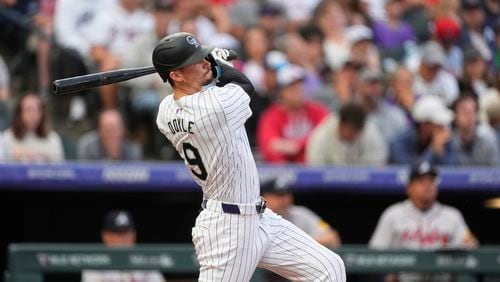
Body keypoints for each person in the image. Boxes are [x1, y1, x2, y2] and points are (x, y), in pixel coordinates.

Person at [154, 32, 345, 281]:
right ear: (176, 75)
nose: (203, 62)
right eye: (196, 61)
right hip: (227, 227)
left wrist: (208, 66)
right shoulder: (214, 108)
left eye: (202, 58)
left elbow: (202, 92)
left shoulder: (165, 111)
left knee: (329, 268)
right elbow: (244, 86)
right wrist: (220, 67)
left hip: (259, 216)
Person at [369, 162, 478, 282]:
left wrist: (470, 244)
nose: (427, 186)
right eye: (421, 181)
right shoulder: (392, 214)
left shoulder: (453, 215)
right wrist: (387, 276)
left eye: (431, 181)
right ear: (408, 188)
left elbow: (468, 249)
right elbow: (374, 255)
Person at [257, 64, 329, 163]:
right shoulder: (271, 116)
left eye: (300, 86)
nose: (299, 91)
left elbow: (327, 136)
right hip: (285, 174)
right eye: (292, 88)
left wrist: (297, 145)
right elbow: (269, 149)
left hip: (316, 169)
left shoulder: (317, 110)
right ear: (281, 92)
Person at [82, 210, 166, 282]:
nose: (123, 239)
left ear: (134, 235)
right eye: (118, 234)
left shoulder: (145, 259)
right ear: (106, 236)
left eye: (126, 234)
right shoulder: (94, 260)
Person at [261, 177, 341, 248]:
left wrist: (296, 244)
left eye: (287, 194)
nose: (285, 200)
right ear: (265, 197)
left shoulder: (301, 214)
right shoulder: (256, 217)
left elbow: (331, 237)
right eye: (279, 196)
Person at [306, 102, 387, 165]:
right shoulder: (321, 137)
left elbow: (377, 170)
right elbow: (316, 172)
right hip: (327, 186)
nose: (355, 135)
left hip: (366, 186)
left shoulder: (372, 135)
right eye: (351, 129)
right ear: (341, 124)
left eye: (358, 131)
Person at [389, 95, 456, 165]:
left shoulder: (445, 138)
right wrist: (432, 150)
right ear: (424, 125)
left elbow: (454, 171)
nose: (443, 127)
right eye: (439, 124)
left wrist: (440, 153)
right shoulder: (399, 143)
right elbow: (412, 173)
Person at [2, 93, 64, 162]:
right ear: (19, 113)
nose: (33, 115)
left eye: (37, 110)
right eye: (28, 110)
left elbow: (61, 168)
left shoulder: (53, 138)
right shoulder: (6, 138)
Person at [450, 93, 500, 166]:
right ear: (455, 116)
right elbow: (429, 169)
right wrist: (436, 152)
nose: (469, 116)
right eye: (464, 112)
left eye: (472, 111)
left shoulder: (488, 141)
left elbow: (496, 172)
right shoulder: (447, 142)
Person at [77, 109, 142, 161]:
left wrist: (116, 157)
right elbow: (83, 173)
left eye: (116, 129)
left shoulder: (132, 147)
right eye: (108, 130)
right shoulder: (87, 145)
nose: (112, 135)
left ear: (123, 130)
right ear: (99, 130)